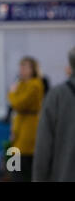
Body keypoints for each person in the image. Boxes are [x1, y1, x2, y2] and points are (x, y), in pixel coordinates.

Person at [33, 47, 75, 181]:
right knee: (16, 168)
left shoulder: (56, 95)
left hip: (64, 174)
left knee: (17, 170)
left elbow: (43, 148)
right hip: (20, 142)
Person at [7, 56, 44, 182]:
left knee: (21, 167)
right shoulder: (20, 84)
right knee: (14, 166)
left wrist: (12, 93)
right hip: (18, 129)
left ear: (33, 69)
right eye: (20, 66)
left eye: (25, 67)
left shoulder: (35, 85)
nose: (21, 70)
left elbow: (18, 103)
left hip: (29, 131)